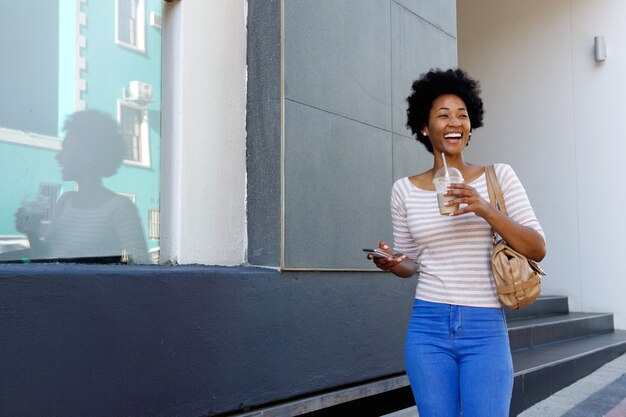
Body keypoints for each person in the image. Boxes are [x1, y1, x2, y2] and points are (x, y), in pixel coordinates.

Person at [367, 68, 546, 417]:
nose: (455, 122)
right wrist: (392, 262)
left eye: (462, 115)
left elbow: (537, 247)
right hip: (428, 326)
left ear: (470, 126)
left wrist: (484, 208)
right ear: (424, 126)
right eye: (443, 115)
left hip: (485, 326)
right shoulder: (403, 189)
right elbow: (412, 263)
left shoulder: (499, 176)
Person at [13, 110, 150, 264]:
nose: (58, 157)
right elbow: (49, 258)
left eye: (66, 148)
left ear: (88, 157)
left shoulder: (121, 208)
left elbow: (142, 265)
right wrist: (31, 232)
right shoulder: (64, 201)